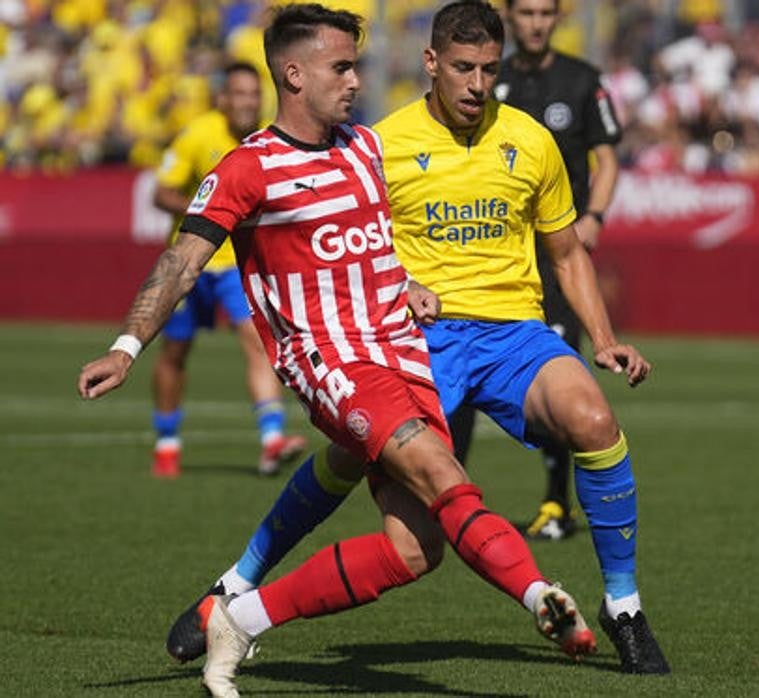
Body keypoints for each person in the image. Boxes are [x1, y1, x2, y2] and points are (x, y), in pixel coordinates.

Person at [78, 5, 594, 696]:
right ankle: (541, 598)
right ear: (294, 74)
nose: (356, 80)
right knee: (443, 472)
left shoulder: (361, 149)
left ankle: (241, 616)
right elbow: (181, 262)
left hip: (403, 352)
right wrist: (126, 346)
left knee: (416, 551)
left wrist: (406, 283)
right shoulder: (248, 168)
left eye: (355, 65)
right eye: (341, 67)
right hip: (334, 365)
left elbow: (368, 245)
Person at [443, 0, 622, 541]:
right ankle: (452, 494)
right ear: (511, 18)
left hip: (559, 248)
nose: (537, 22)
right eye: (527, 12)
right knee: (463, 384)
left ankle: (553, 502)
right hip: (495, 254)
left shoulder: (582, 79)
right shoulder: (484, 82)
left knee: (561, 377)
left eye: (546, 12)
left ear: (557, 19)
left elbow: (608, 157)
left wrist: (594, 216)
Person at [150, 61, 306, 478]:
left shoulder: (268, 140)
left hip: (237, 264)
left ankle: (272, 438)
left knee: (255, 341)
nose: (247, 102)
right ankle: (166, 443)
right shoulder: (197, 135)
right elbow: (161, 193)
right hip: (192, 262)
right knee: (174, 354)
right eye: (239, 94)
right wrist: (211, 211)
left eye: (254, 95)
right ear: (223, 99)